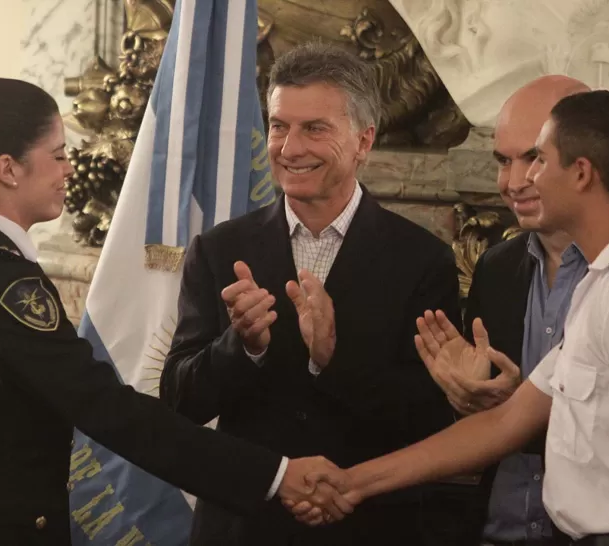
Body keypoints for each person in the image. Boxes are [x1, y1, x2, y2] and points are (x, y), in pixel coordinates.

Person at [0, 77, 351, 546]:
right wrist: (275, 475)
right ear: (8, 170)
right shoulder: (9, 286)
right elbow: (109, 409)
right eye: (57, 155)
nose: (69, 169)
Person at [319, 90, 609, 546]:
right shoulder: (604, 281)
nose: (523, 179)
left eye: (539, 160)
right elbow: (507, 423)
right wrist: (354, 482)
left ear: (581, 173)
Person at [160, 42, 462, 545]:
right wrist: (244, 346)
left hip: (370, 528)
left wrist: (331, 357)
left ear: (364, 141)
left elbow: (431, 420)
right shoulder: (218, 250)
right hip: (242, 530)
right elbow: (179, 400)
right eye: (279, 125)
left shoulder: (423, 260)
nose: (289, 147)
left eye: (315, 129)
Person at [419, 75, 590, 546]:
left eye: (533, 158)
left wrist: (513, 414)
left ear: (587, 162)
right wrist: (463, 400)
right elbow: (474, 435)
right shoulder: (496, 269)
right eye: (502, 161)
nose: (513, 183)